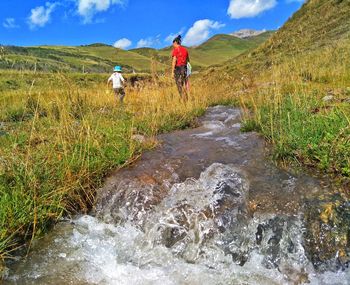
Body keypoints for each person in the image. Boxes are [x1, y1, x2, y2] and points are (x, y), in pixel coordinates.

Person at [171, 35, 190, 100]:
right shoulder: (185, 50)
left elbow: (174, 61)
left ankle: (183, 99)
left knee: (179, 85)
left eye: (173, 44)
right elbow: (188, 61)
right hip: (184, 68)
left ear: (175, 42)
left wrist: (172, 72)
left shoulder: (175, 50)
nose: (173, 45)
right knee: (184, 84)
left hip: (178, 69)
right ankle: (187, 98)